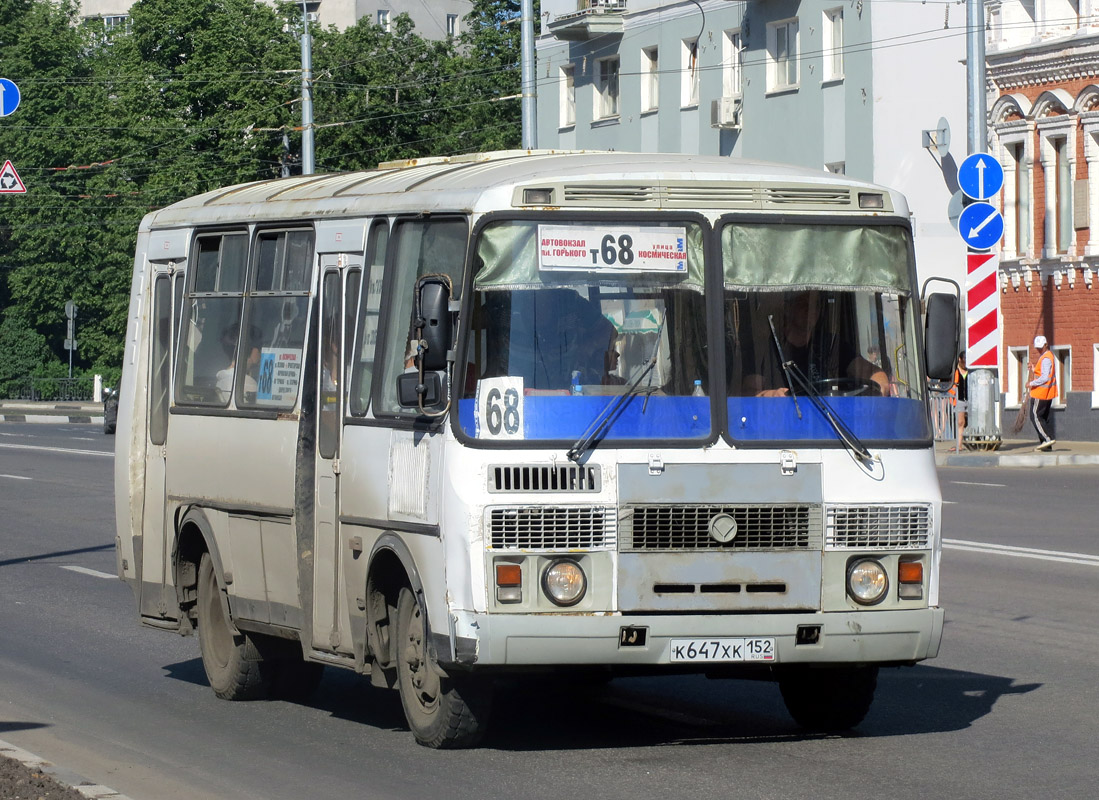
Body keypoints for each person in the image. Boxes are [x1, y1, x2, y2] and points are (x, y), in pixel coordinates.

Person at [741, 290, 889, 397]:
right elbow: (748, 392)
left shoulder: (832, 345)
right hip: (783, 430)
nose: (810, 310)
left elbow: (871, 372)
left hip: (833, 429)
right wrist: (772, 396)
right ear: (788, 308)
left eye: (815, 305)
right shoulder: (767, 349)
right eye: (803, 304)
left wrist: (880, 386)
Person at [1027, 334, 1057, 451]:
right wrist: (1034, 369)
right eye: (1037, 347)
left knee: (1035, 416)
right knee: (1043, 417)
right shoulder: (1047, 356)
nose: (1039, 349)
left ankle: (1047, 438)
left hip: (1041, 393)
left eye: (1040, 347)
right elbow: (1043, 373)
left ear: (1045, 345)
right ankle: (1046, 444)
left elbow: (1044, 377)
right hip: (1047, 393)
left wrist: (1031, 384)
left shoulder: (1045, 358)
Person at [950, 353, 968, 452]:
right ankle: (959, 445)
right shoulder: (955, 371)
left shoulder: (970, 371)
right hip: (959, 399)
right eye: (963, 361)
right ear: (959, 360)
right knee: (961, 422)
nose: (965, 364)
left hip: (971, 399)